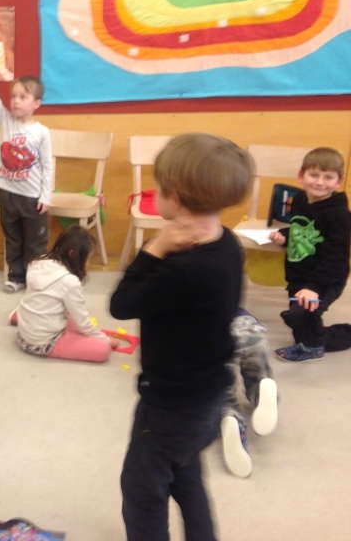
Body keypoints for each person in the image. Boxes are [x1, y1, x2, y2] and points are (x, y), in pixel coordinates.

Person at [109, 133, 254, 541]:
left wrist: (154, 248)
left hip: (171, 403)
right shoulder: (228, 242)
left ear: (173, 197)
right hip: (210, 392)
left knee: (143, 490)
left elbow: (121, 303)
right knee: (186, 471)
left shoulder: (184, 269)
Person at [0, 57, 54, 293]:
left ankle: (35, 280)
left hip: (32, 198)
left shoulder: (42, 132)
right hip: (7, 194)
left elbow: (48, 166)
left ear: (36, 103)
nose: (16, 101)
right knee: (13, 240)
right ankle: (16, 277)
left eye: (23, 97)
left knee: (35, 242)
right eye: (13, 96)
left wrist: (46, 196)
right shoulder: (5, 121)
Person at [268, 147, 351, 362]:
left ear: (339, 182)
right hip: (299, 273)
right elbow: (302, 227)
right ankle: (313, 339)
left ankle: (314, 347)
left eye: (328, 177)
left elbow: (336, 257)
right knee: (301, 324)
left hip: (326, 276)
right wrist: (286, 235)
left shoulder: (339, 215)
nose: (320, 182)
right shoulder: (300, 200)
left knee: (302, 315)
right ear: (301, 176)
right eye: (314, 175)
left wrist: (314, 287)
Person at [10, 224, 117, 362]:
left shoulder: (38, 263)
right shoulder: (70, 282)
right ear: (72, 254)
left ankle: (21, 315)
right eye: (87, 258)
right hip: (42, 343)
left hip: (24, 334)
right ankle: (26, 318)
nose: (88, 264)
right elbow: (83, 323)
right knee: (103, 349)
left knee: (70, 315)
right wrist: (104, 338)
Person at [220, 308, 278, 478]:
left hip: (214, 337)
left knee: (222, 394)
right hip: (248, 325)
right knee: (257, 370)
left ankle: (230, 417)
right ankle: (261, 390)